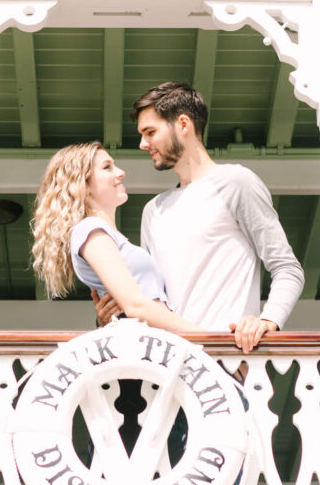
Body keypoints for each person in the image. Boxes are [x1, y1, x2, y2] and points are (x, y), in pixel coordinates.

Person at [93, 82, 304, 352]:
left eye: (150, 132)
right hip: (162, 368)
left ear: (183, 124)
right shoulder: (153, 210)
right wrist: (109, 319)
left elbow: (287, 268)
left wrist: (266, 320)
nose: (143, 144)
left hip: (222, 365)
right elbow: (152, 301)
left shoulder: (236, 182)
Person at [31, 141, 203, 336]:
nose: (121, 172)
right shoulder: (90, 230)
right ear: (83, 184)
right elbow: (135, 306)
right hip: (146, 345)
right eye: (107, 167)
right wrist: (206, 337)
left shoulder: (107, 236)